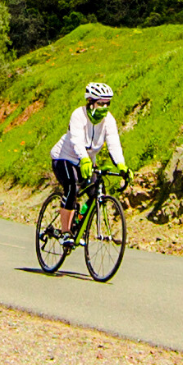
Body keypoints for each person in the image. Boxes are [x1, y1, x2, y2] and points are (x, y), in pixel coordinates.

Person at [50, 82, 133, 248]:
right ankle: (65, 233)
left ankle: (78, 222)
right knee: (72, 187)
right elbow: (76, 140)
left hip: (86, 161)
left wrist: (121, 165)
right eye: (101, 103)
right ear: (90, 102)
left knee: (97, 193)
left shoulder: (108, 120)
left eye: (107, 104)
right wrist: (84, 158)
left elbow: (114, 144)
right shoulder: (78, 115)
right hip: (64, 157)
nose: (104, 107)